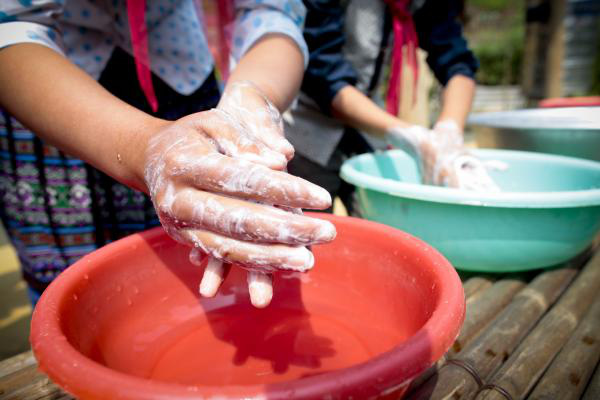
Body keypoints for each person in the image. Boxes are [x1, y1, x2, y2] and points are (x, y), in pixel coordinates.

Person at [0, 0, 336, 308]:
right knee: (76, 299)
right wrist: (147, 148)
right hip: (53, 101)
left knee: (191, 286)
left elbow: (272, 11)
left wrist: (254, 98)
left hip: (184, 82)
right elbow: (10, 25)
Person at [285, 0, 498, 214]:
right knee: (310, 229)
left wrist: (449, 134)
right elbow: (324, 77)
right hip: (308, 132)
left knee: (376, 230)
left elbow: (456, 61)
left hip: (367, 133)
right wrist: (414, 138)